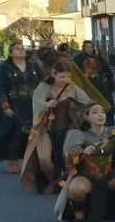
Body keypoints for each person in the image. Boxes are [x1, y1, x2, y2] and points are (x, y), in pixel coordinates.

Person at [19, 60, 90, 193]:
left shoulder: (72, 87)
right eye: (61, 76)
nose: (65, 79)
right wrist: (46, 104)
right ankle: (51, 180)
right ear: (53, 74)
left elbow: (87, 102)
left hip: (67, 127)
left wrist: (93, 111)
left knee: (69, 157)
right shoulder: (44, 86)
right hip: (45, 128)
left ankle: (65, 182)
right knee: (44, 159)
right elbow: (37, 100)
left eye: (68, 76)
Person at [0, 43, 38, 173]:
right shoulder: (5, 67)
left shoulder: (33, 65)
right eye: (17, 49)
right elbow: (2, 88)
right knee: (16, 133)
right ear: (11, 53)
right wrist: (6, 106)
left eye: (22, 48)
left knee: (32, 133)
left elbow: (42, 81)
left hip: (32, 103)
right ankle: (13, 161)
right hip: (15, 104)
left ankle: (28, 161)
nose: (21, 50)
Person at [78, 48, 115, 124]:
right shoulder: (84, 79)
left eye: (89, 67)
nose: (87, 69)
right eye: (86, 67)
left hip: (101, 105)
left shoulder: (99, 79)